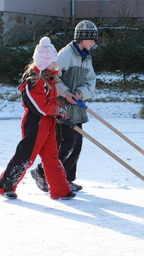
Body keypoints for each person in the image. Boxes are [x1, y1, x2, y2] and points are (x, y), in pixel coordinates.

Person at [0, 36, 76, 200]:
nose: (56, 66)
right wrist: (54, 110)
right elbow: (38, 106)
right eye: (54, 63)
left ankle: (60, 189)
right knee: (26, 156)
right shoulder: (33, 81)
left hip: (48, 123)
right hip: (35, 123)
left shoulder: (49, 79)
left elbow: (51, 102)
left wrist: (59, 111)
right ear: (44, 63)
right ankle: (5, 185)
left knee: (51, 157)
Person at [31, 20, 98, 193]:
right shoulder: (65, 55)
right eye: (92, 39)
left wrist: (80, 94)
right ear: (82, 38)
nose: (94, 43)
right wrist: (65, 92)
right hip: (61, 106)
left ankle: (66, 179)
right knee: (65, 143)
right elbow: (52, 77)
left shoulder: (86, 58)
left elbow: (91, 81)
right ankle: (41, 172)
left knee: (77, 144)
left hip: (76, 105)